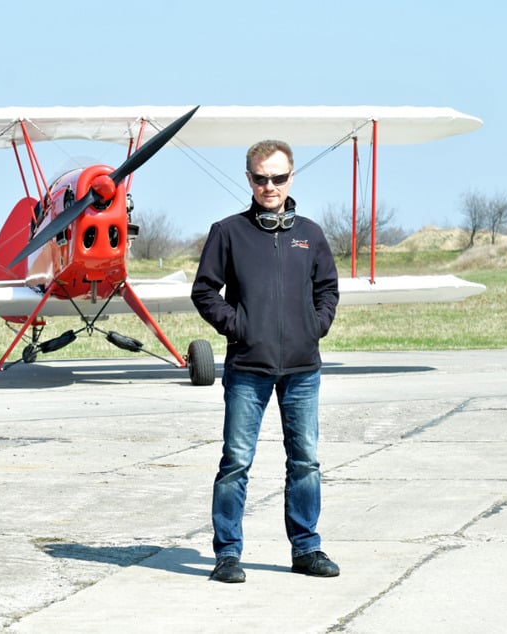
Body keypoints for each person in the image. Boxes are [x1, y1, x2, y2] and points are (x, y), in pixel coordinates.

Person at [191, 139, 340, 584]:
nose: (269, 186)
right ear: (249, 179)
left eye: (277, 177)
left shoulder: (310, 234)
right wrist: (239, 327)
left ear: (291, 177)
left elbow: (327, 289)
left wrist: (315, 326)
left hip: (302, 368)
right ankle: (228, 554)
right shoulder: (228, 232)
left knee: (305, 461)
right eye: (261, 178)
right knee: (236, 461)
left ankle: (307, 548)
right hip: (247, 368)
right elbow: (204, 291)